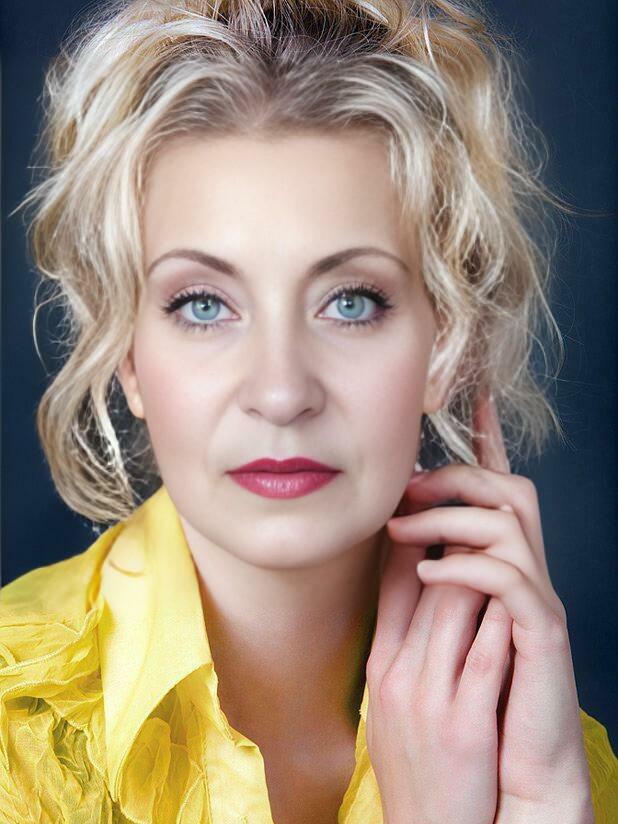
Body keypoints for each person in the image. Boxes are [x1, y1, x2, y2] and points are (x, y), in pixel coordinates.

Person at [1, 1, 616, 822]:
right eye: (204, 305)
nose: (282, 392)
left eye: (351, 302)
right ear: (128, 356)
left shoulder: (546, 751)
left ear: (447, 342)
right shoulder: (13, 735)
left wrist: (546, 801)